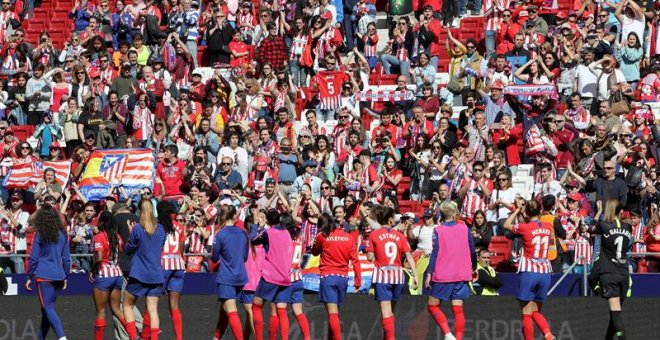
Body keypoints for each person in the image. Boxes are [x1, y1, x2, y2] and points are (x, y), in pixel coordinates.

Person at [503, 199, 555, 340]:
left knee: (526, 313)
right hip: (545, 272)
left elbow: (506, 224)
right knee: (536, 311)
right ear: (540, 211)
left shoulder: (524, 227)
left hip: (529, 271)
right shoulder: (547, 226)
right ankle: (548, 334)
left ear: (526, 212)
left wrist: (518, 211)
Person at [425, 202, 477, 340]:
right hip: (461, 274)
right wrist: (474, 265)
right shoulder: (464, 228)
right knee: (458, 308)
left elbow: (434, 253)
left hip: (443, 274)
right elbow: (472, 250)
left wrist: (429, 273)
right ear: (454, 214)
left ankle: (448, 334)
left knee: (433, 306)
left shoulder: (438, 230)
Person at [367, 206, 418, 340]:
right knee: (391, 313)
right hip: (398, 277)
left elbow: (369, 257)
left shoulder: (374, 234)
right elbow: (409, 257)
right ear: (390, 220)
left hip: (382, 276)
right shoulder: (400, 236)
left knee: (386, 314)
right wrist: (416, 276)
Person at [311, 213, 361, 340]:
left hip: (328, 276)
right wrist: (357, 281)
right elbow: (355, 260)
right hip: (343, 278)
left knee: (332, 314)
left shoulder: (322, 236)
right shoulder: (348, 237)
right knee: (334, 314)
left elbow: (314, 252)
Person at [122, 200, 167, 340]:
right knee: (152, 309)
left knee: (127, 305)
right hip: (156, 275)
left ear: (139, 211)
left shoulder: (137, 229)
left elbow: (128, 250)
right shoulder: (160, 229)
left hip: (139, 275)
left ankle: (133, 336)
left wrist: (130, 234)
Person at [25, 203, 71, 340]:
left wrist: (29, 276)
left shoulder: (40, 234)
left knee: (48, 308)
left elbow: (34, 258)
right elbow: (67, 259)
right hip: (58, 276)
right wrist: (66, 276)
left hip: (44, 275)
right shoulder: (63, 234)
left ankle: (62, 338)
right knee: (46, 310)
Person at [589, 200, 631, 340]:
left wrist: (598, 212)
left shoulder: (604, 226)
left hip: (609, 273)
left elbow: (590, 228)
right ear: (621, 212)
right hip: (624, 273)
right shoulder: (628, 227)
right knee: (615, 316)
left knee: (616, 315)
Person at [250, 210, 294, 340]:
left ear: (268, 221)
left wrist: (255, 224)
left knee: (256, 306)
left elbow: (253, 240)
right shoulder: (287, 233)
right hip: (285, 277)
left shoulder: (268, 233)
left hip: (271, 276)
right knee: (281, 310)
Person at [211, 204, 249, 340]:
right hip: (240, 276)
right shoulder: (243, 233)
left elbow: (214, 257)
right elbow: (245, 256)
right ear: (234, 216)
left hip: (227, 277)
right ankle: (216, 337)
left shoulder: (220, 234)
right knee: (224, 309)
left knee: (231, 311)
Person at [90, 211, 127, 340]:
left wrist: (92, 269)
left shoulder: (100, 235)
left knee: (100, 311)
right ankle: (134, 335)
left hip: (104, 274)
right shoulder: (118, 237)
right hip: (117, 274)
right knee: (117, 309)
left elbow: (99, 257)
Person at [158, 202, 186, 340]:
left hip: (163, 265)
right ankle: (179, 338)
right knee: (174, 306)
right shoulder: (180, 227)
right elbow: (181, 249)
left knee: (152, 303)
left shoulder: (158, 227)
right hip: (178, 265)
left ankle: (150, 335)